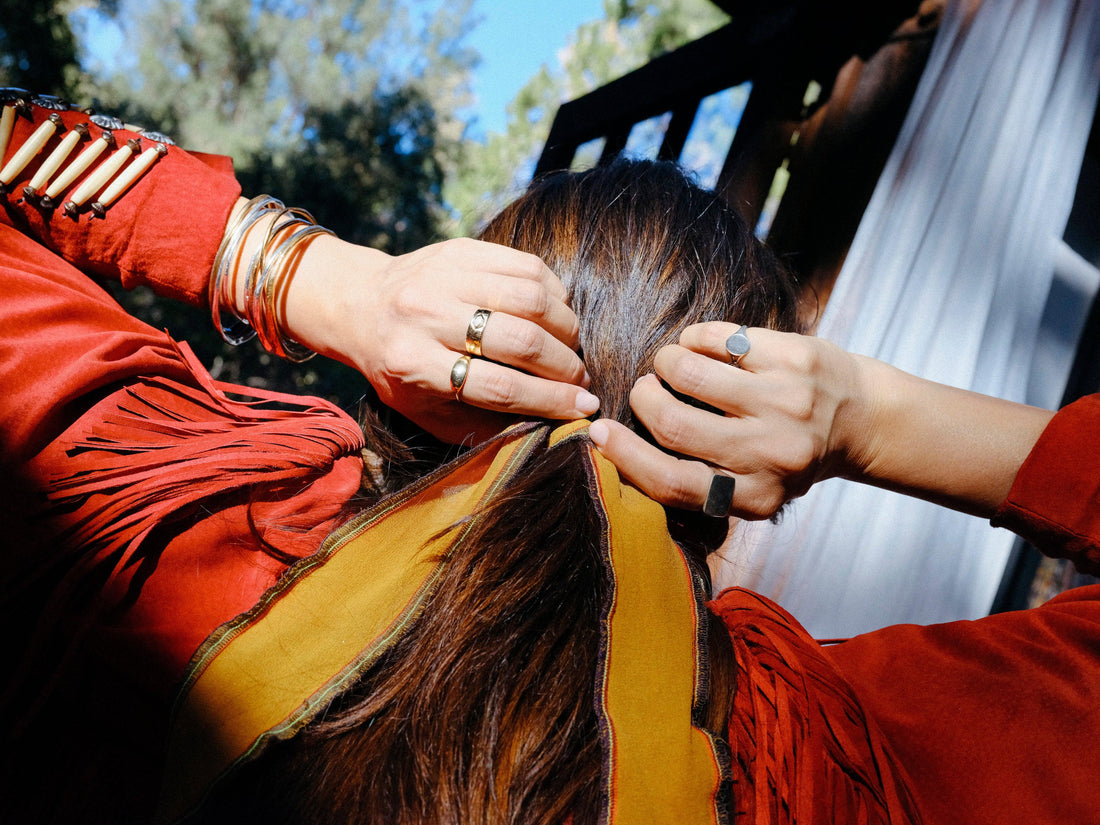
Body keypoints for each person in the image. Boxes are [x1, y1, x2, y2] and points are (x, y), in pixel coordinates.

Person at [2, 89, 1099, 825]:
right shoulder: (823, 766)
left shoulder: (163, 505)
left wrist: (311, 276)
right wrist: (867, 412)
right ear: (741, 478)